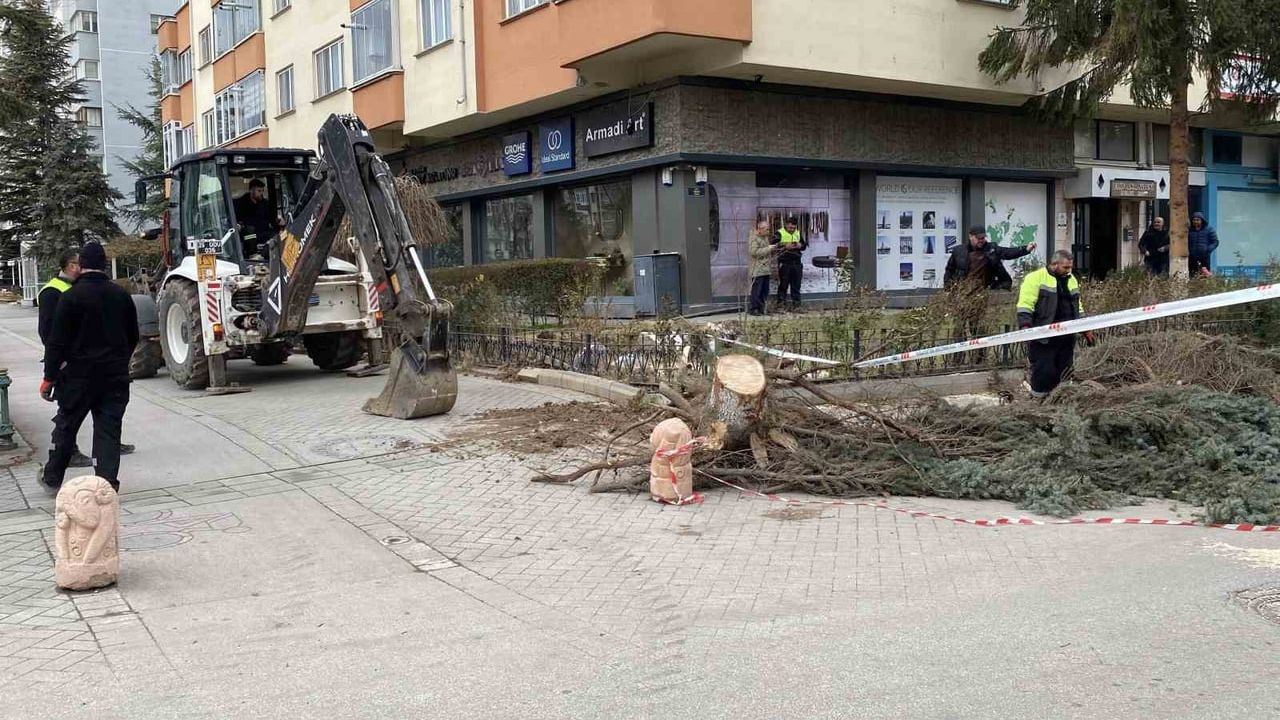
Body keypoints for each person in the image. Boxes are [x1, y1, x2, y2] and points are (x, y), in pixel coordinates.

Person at [38, 242, 139, 493]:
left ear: (81, 265)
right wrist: (120, 361)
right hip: (114, 377)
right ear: (104, 265)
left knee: (67, 427)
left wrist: (49, 377)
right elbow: (133, 335)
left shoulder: (70, 297)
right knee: (108, 431)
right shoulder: (121, 296)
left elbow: (56, 342)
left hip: (77, 377)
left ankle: (52, 478)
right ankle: (106, 484)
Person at [1017, 250, 1096, 398]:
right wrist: (1026, 328)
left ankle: (1062, 400)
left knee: (1065, 371)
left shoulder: (1071, 279)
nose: (1069, 270)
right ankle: (1039, 403)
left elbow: (1077, 306)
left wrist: (1085, 328)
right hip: (1043, 337)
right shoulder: (1035, 278)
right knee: (1044, 373)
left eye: (1070, 267)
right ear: (1054, 264)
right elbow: (1025, 306)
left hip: (1066, 337)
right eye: (1065, 267)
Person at [943, 225, 1037, 291]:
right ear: (971, 237)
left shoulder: (991, 249)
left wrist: (1026, 249)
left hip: (983, 291)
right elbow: (949, 270)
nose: (981, 240)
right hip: (963, 292)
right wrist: (948, 289)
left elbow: (1007, 252)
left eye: (983, 238)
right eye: (978, 238)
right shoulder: (959, 251)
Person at [233, 178, 277, 260]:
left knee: (276, 235)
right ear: (251, 190)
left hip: (262, 232)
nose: (261, 193)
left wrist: (278, 220)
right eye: (259, 191)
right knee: (250, 230)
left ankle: (263, 255)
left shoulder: (265, 204)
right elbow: (237, 220)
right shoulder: (241, 203)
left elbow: (271, 219)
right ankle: (252, 255)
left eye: (262, 191)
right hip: (248, 234)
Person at [772, 217, 808, 311]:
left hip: (797, 262)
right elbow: (773, 245)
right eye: (790, 227)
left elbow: (804, 245)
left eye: (794, 227)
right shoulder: (779, 233)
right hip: (785, 262)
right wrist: (785, 246)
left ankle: (797, 306)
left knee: (796, 285)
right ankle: (781, 305)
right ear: (786, 225)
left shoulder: (798, 233)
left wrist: (800, 245)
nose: (792, 229)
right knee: (783, 285)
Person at [747, 220, 778, 316]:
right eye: (767, 229)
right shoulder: (754, 238)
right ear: (760, 229)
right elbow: (754, 252)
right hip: (757, 269)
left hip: (765, 269)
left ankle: (762, 308)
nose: (768, 231)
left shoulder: (765, 237)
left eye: (768, 229)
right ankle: (754, 309)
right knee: (757, 290)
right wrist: (769, 248)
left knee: (765, 291)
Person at [1188, 211, 1219, 276]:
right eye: (1194, 220)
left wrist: (1208, 250)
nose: (1195, 222)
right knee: (1192, 274)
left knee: (1205, 275)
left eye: (1197, 220)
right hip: (1192, 257)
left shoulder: (1209, 229)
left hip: (1204, 257)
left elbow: (1215, 242)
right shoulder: (1189, 230)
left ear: (1202, 220)